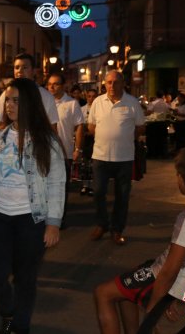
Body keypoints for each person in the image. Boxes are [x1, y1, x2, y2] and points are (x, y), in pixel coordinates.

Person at [94, 146, 185, 334]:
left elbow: (169, 270)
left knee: (104, 293)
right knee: (127, 290)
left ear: (182, 179)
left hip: (181, 282)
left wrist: (154, 308)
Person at [0, 78, 66, 334]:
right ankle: (9, 312)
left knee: (26, 278)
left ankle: (19, 327)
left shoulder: (47, 140)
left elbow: (57, 183)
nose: (9, 105)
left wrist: (53, 223)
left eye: (16, 100)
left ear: (30, 104)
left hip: (31, 219)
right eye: (8, 100)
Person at [88, 70, 145, 245]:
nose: (112, 86)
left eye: (115, 82)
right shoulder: (98, 102)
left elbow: (140, 128)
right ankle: (102, 224)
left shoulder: (132, 102)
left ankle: (117, 229)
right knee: (98, 192)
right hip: (100, 156)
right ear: (104, 84)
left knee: (122, 196)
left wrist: (123, 138)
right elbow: (91, 126)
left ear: (123, 83)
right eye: (109, 82)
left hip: (124, 158)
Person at [46, 73, 84, 219]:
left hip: (64, 153)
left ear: (63, 86)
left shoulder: (71, 104)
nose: (52, 86)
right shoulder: (44, 102)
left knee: (61, 187)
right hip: (45, 152)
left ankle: (58, 218)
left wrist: (78, 149)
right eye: (49, 84)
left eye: (55, 84)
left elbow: (80, 126)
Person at [0, 53, 59, 130]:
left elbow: (53, 129)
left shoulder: (46, 97)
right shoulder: (6, 95)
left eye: (25, 67)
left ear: (34, 71)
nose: (20, 71)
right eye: (17, 67)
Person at [80, 89, 98, 196]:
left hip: (95, 138)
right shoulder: (82, 109)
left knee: (93, 163)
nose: (91, 98)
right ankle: (84, 185)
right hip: (84, 139)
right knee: (84, 162)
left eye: (93, 96)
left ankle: (92, 185)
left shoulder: (99, 109)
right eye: (89, 96)